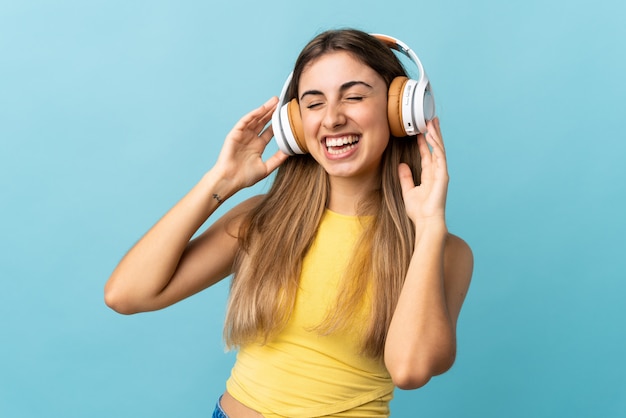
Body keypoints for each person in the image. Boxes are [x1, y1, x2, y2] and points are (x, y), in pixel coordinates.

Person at [105, 28, 473, 418]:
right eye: (314, 104)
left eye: (354, 96)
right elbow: (127, 295)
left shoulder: (442, 250)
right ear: (296, 125)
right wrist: (218, 182)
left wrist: (429, 225)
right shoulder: (262, 219)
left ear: (402, 109)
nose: (332, 118)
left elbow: (410, 370)